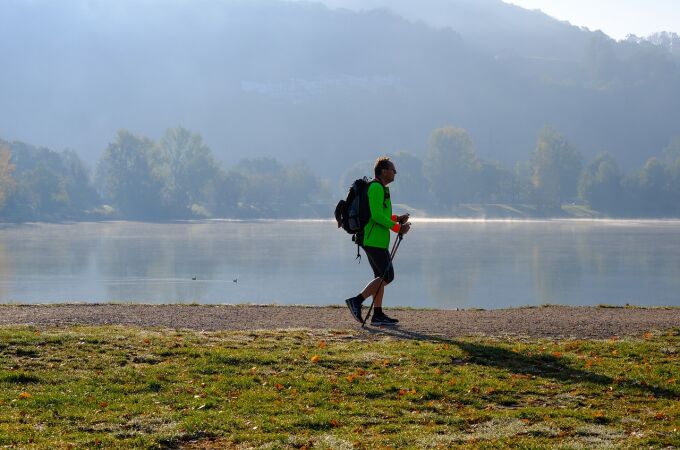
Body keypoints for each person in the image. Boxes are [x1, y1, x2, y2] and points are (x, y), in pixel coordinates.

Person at [345, 156, 410, 326]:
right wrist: (397, 228)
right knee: (387, 276)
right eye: (392, 169)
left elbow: (382, 215)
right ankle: (356, 301)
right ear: (383, 171)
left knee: (380, 277)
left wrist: (397, 219)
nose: (395, 172)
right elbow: (376, 215)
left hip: (377, 240)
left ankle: (378, 315)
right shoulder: (375, 187)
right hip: (372, 240)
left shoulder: (381, 188)